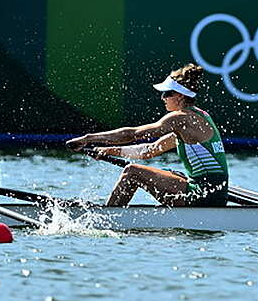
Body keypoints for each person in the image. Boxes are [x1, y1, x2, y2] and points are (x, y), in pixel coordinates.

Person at [66, 63, 229, 207]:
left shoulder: (180, 118)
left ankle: (110, 217)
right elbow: (150, 150)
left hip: (204, 195)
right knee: (168, 172)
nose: (162, 98)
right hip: (214, 193)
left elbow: (133, 134)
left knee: (132, 172)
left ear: (179, 96)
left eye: (167, 94)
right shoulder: (200, 117)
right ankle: (115, 211)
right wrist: (109, 150)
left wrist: (88, 138)